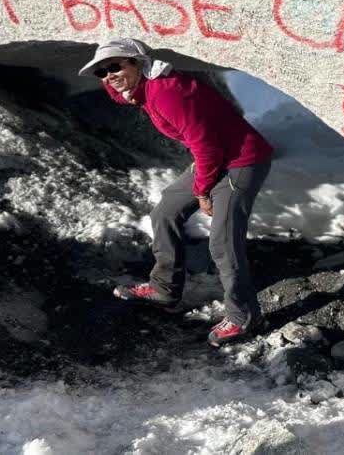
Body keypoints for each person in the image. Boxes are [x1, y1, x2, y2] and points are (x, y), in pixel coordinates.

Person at [80, 39, 274, 347]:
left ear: (137, 63)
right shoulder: (142, 89)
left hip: (241, 160)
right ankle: (164, 289)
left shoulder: (167, 93)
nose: (109, 75)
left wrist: (202, 191)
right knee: (165, 213)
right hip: (215, 157)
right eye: (101, 72)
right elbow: (118, 91)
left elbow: (206, 146)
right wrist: (113, 79)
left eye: (115, 65)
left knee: (223, 243)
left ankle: (244, 316)